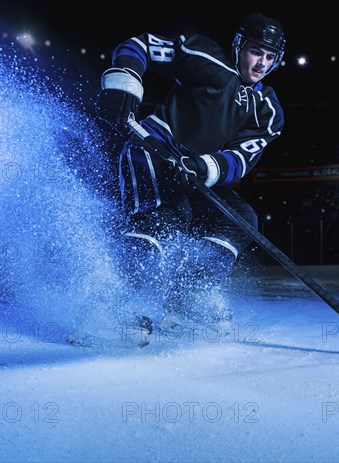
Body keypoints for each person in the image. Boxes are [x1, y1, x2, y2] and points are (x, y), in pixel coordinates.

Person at [95, 12, 286, 334]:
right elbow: (140, 45)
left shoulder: (266, 108)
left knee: (239, 220)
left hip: (196, 174)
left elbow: (242, 157)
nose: (261, 64)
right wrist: (124, 81)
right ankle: (108, 310)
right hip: (154, 153)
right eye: (256, 52)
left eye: (270, 56)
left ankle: (184, 301)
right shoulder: (207, 57)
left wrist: (204, 166)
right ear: (239, 47)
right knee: (166, 220)